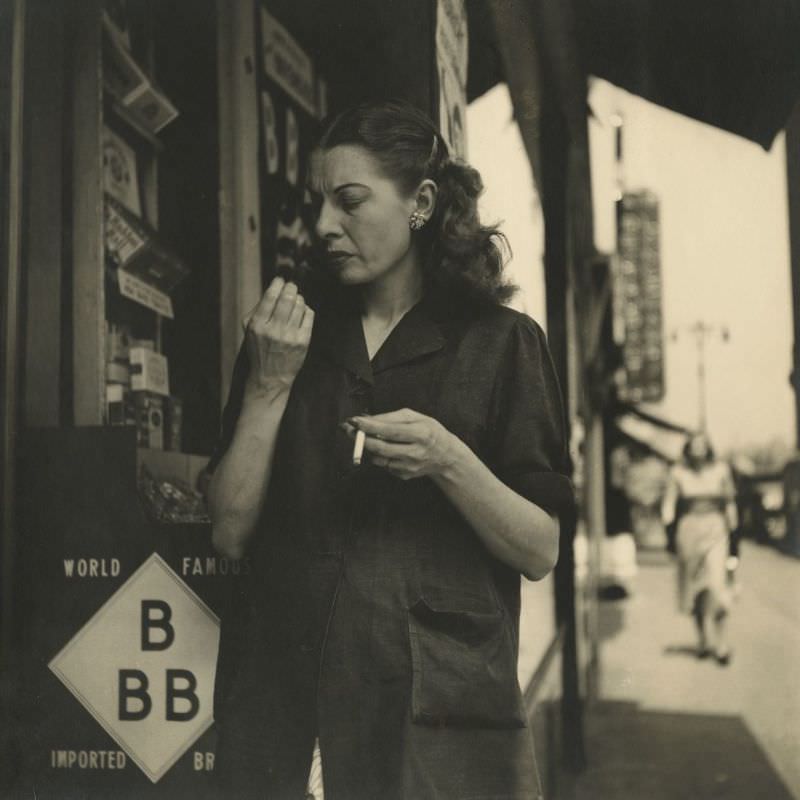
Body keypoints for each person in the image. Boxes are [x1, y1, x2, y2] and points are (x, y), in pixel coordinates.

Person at [206, 100, 574, 799]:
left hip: (432, 720)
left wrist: (448, 459)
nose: (323, 227)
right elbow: (228, 532)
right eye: (318, 204)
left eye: (349, 201)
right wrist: (268, 385)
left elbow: (540, 549)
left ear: (422, 203)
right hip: (285, 708)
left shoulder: (501, 343)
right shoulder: (288, 333)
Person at [662, 432, 738, 666]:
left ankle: (721, 644)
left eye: (702, 446)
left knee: (717, 588)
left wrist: (734, 536)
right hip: (689, 530)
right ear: (688, 449)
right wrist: (669, 534)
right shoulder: (678, 473)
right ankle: (703, 640)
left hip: (716, 529)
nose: (698, 451)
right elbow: (669, 505)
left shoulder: (721, 470)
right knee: (695, 590)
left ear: (708, 448)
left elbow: (730, 502)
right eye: (693, 446)